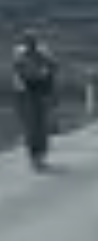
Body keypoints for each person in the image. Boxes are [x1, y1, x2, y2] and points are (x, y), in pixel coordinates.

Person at [12, 31, 59, 170]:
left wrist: (46, 76)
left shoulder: (43, 54)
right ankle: (34, 155)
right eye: (27, 42)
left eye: (31, 41)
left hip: (41, 92)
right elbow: (17, 74)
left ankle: (40, 153)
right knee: (31, 126)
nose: (30, 44)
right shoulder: (19, 55)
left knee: (41, 125)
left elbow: (53, 68)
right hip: (27, 93)